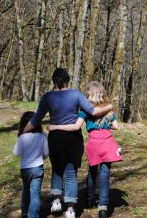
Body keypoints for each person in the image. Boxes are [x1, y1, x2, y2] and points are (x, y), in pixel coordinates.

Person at [23, 68, 112, 218]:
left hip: (55, 139)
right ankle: (70, 209)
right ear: (67, 80)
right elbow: (93, 111)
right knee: (71, 174)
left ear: (54, 81)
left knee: (57, 170)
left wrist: (23, 131)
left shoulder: (47, 97)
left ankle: (57, 201)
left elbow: (36, 119)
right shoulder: (76, 94)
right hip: (73, 140)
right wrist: (110, 106)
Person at [49, 81, 122, 218]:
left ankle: (89, 199)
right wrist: (105, 127)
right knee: (105, 175)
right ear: (102, 94)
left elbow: (76, 127)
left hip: (94, 144)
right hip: (108, 142)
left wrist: (55, 127)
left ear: (88, 95)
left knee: (92, 171)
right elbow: (116, 126)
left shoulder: (85, 112)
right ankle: (103, 208)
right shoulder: (108, 110)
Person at [13, 111, 49, 218]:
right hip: (38, 168)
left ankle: (24, 211)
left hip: (25, 168)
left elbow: (16, 153)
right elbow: (46, 153)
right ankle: (32, 215)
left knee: (25, 189)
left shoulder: (22, 137)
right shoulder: (42, 136)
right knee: (35, 195)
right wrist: (40, 157)